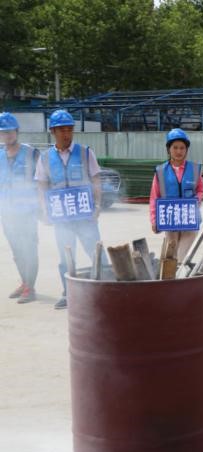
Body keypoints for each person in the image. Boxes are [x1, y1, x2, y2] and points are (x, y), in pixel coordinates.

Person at [36, 109, 105, 310]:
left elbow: (96, 180)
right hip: (62, 217)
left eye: (69, 129)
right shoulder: (45, 158)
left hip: (85, 214)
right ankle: (69, 294)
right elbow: (42, 186)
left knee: (96, 252)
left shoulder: (85, 153)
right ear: (53, 132)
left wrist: (97, 206)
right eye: (62, 130)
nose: (66, 134)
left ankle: (105, 289)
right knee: (66, 256)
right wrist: (45, 211)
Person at [0, 112, 39, 304]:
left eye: (10, 131)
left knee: (29, 250)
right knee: (17, 251)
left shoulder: (31, 153)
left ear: (17, 131)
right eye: (3, 132)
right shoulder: (0, 156)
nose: (7, 135)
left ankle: (30, 288)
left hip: (27, 213)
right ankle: (24, 282)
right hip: (7, 214)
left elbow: (43, 181)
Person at [148, 128, 203, 262]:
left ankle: (178, 273)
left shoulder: (195, 169)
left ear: (186, 150)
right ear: (169, 149)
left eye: (182, 148)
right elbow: (154, 197)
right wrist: (154, 220)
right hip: (170, 221)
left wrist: (196, 200)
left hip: (189, 220)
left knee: (181, 257)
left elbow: (200, 190)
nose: (179, 151)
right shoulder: (160, 171)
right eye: (175, 147)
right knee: (171, 257)